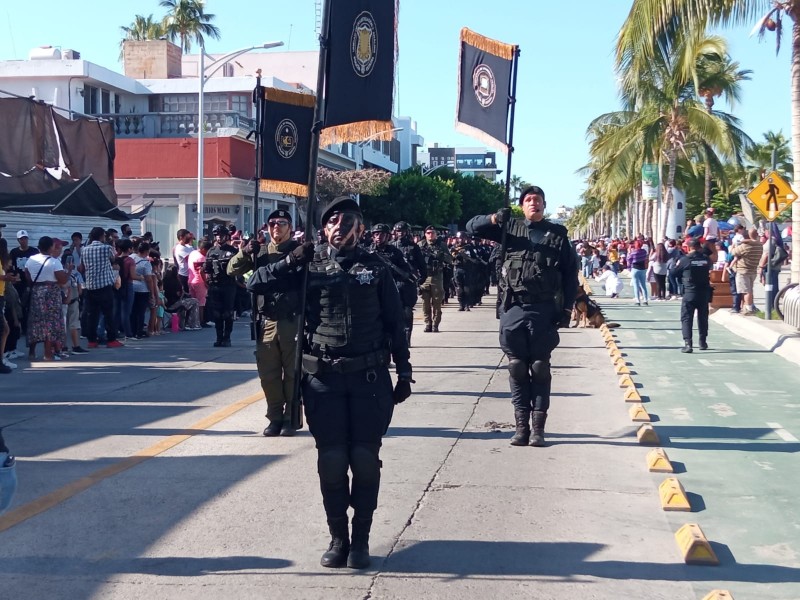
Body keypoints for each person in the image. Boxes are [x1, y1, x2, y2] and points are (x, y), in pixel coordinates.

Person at [248, 196, 412, 570]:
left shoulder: (376, 267)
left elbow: (395, 323)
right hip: (323, 380)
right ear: (323, 228)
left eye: (349, 219)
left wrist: (404, 370)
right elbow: (255, 283)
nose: (341, 225)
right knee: (333, 462)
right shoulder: (308, 264)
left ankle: (362, 540)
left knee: (365, 460)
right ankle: (339, 537)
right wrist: (292, 259)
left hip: (369, 379)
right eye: (333, 220)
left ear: (361, 227)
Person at [467, 185, 578, 447]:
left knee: (540, 367)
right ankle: (521, 428)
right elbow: (472, 227)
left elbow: (570, 276)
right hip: (513, 308)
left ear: (544, 205)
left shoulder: (558, 236)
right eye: (528, 200)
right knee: (516, 367)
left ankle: (538, 429)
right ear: (522, 205)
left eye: (538, 200)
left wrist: (566, 309)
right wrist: (495, 218)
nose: (533, 203)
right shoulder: (508, 229)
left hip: (543, 310)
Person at [228, 209, 301, 437]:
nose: (275, 227)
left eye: (281, 223)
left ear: (290, 227)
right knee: (268, 375)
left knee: (293, 373)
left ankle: (291, 417)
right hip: (267, 320)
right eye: (271, 223)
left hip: (293, 320)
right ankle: (275, 417)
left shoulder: (298, 251)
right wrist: (244, 252)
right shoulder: (260, 253)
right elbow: (232, 270)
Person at [24, 236, 69, 361]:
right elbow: (63, 280)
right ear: (51, 247)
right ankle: (48, 354)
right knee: (50, 324)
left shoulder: (31, 259)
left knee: (35, 321)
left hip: (36, 292)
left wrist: (35, 282)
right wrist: (69, 271)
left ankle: (32, 352)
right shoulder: (54, 261)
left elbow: (27, 273)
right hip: (51, 294)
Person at [82, 227, 124, 349]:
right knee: (108, 314)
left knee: (92, 315)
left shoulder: (85, 249)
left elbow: (83, 265)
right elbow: (113, 258)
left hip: (90, 286)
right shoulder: (106, 248)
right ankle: (111, 340)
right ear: (102, 236)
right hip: (104, 286)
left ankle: (92, 341)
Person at [672, 239, 712, 353]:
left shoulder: (685, 260)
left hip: (690, 292)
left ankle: (688, 344)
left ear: (689, 248)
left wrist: (676, 263)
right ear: (699, 247)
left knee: (686, 318)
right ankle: (703, 342)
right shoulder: (705, 259)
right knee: (703, 318)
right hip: (703, 293)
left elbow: (673, 273)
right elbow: (710, 265)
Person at [391, 221, 427, 345]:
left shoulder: (414, 247)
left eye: (402, 231)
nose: (400, 233)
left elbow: (422, 266)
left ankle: (407, 337)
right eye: (398, 231)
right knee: (394, 310)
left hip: (408, 283)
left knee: (407, 311)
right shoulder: (391, 246)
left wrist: (421, 280)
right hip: (394, 282)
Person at [204, 224, 238, 347]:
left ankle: (227, 337)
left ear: (226, 236)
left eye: (221, 236)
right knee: (217, 313)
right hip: (215, 285)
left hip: (228, 285)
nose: (219, 238)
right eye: (217, 236)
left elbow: (238, 268)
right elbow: (206, 269)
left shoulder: (233, 250)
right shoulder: (211, 251)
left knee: (227, 313)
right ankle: (219, 337)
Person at [417, 226, 452, 332]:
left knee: (437, 302)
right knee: (425, 302)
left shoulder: (441, 245)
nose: (430, 235)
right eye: (428, 233)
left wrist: (441, 255)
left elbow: (450, 259)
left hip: (437, 276)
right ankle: (428, 323)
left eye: (432, 233)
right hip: (424, 276)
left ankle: (435, 324)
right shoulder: (420, 245)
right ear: (425, 234)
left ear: (436, 234)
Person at [172, 229, 194, 293]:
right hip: (184, 276)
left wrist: (192, 239)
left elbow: (194, 250)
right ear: (181, 237)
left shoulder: (187, 246)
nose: (189, 237)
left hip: (190, 274)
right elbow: (190, 258)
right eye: (187, 236)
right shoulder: (179, 248)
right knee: (186, 293)